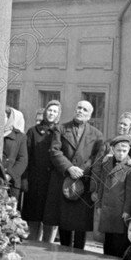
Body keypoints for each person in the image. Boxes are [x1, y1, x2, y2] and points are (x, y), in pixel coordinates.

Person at [43, 100, 104, 249]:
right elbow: (55, 151)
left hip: (83, 181)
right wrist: (69, 168)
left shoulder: (97, 134)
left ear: (89, 115)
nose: (80, 111)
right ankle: (63, 248)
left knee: (80, 223)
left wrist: (81, 169)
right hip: (64, 180)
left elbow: (97, 157)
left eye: (84, 110)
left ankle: (78, 252)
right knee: (64, 220)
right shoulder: (61, 129)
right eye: (79, 108)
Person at [93, 135, 131, 257]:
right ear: (113, 150)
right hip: (107, 209)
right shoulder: (107, 164)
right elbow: (102, 186)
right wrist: (99, 204)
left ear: (128, 150)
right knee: (108, 241)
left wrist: (127, 210)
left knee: (118, 242)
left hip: (120, 211)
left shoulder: (130, 167)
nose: (121, 154)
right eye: (118, 150)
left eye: (124, 151)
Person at [22, 100, 61, 242]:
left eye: (55, 111)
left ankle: (48, 246)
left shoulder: (59, 132)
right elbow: (26, 156)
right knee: (34, 216)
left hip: (52, 182)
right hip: (35, 181)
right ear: (45, 112)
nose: (52, 113)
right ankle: (32, 244)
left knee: (50, 218)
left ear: (58, 115)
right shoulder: (33, 131)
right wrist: (25, 178)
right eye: (50, 110)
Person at [2, 106, 28, 204]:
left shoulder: (20, 137)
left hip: (11, 182)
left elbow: (22, 160)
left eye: (4, 116)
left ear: (9, 119)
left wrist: (9, 175)